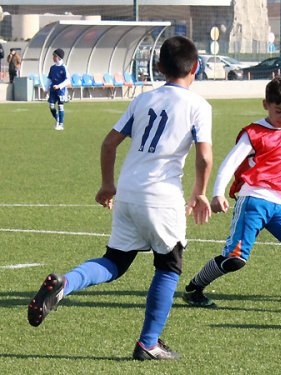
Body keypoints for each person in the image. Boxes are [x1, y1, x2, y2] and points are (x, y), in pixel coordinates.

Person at [27, 36, 213, 360]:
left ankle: (65, 284)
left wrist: (107, 185)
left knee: (114, 261)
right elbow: (205, 157)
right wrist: (199, 193)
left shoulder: (142, 100)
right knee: (169, 266)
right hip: (163, 196)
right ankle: (148, 343)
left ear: (158, 68)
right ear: (195, 67)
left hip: (128, 191)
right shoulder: (198, 106)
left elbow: (109, 144)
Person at [182, 76, 281, 315]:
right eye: (279, 111)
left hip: (279, 204)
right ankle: (194, 289)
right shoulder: (254, 133)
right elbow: (230, 163)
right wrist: (217, 193)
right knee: (235, 260)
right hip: (253, 200)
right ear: (265, 105)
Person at [47, 49, 70, 130]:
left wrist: (59, 86)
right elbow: (49, 79)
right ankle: (57, 118)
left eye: (55, 56)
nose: (53, 57)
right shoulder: (52, 68)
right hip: (53, 90)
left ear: (59, 57)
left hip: (61, 90)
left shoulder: (64, 67)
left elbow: (67, 80)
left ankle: (61, 124)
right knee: (51, 106)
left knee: (60, 106)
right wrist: (46, 89)